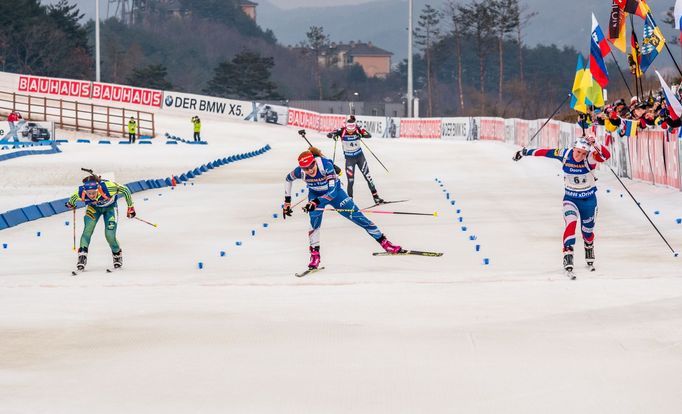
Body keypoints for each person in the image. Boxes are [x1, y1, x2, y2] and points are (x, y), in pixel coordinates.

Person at [283, 147, 402, 270]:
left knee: (357, 216)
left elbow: (333, 192)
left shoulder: (326, 165)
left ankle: (385, 243)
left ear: (314, 161)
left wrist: (316, 201)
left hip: (335, 194)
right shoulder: (299, 172)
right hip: (315, 195)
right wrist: (287, 202)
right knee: (314, 223)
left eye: (311, 166)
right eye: (305, 169)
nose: (309, 170)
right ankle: (314, 255)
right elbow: (288, 179)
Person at [513, 134, 611, 277]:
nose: (579, 156)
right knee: (570, 224)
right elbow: (545, 152)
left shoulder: (590, 157)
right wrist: (524, 152)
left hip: (589, 199)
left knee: (587, 232)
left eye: (583, 153)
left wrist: (596, 143)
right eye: (578, 152)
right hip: (571, 199)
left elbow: (605, 156)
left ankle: (589, 246)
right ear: (573, 148)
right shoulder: (564, 154)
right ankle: (568, 255)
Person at [66, 174, 136, 271]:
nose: (91, 196)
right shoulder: (80, 192)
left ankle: (117, 254)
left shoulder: (108, 187)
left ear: (98, 188)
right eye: (88, 193)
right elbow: (72, 201)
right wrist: (70, 204)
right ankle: (82, 256)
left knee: (109, 234)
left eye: (93, 192)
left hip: (110, 208)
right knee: (87, 230)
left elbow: (125, 190)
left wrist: (130, 207)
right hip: (93, 209)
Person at [327, 116, 385, 204]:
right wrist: (333, 135)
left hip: (360, 157)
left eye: (352, 128)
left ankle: (376, 197)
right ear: (346, 126)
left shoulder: (358, 129)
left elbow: (369, 135)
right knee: (350, 181)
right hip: (349, 159)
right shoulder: (341, 130)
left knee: (368, 177)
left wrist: (361, 134)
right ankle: (350, 202)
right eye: (349, 128)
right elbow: (329, 134)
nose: (351, 131)